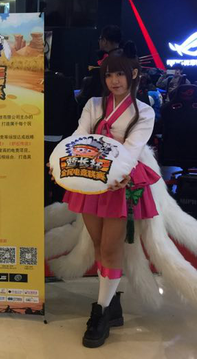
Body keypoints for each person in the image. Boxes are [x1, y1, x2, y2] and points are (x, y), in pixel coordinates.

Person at [61, 42, 161, 348]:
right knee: (97, 244)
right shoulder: (94, 104)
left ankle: (101, 312)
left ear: (134, 74)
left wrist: (118, 175)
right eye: (108, 75)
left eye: (119, 74)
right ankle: (112, 302)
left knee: (110, 247)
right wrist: (62, 162)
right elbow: (79, 136)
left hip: (120, 182)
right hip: (92, 178)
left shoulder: (144, 112)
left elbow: (132, 149)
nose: (113, 81)